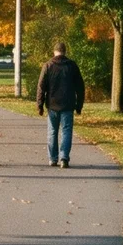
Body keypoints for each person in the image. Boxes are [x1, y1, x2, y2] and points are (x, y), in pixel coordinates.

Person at [36, 40, 86, 168]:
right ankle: (64, 158)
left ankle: (53, 158)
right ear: (65, 51)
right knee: (66, 131)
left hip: (52, 104)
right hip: (68, 104)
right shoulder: (72, 66)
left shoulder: (48, 66)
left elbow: (41, 87)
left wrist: (40, 105)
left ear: (54, 52)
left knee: (52, 131)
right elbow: (80, 87)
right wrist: (79, 105)